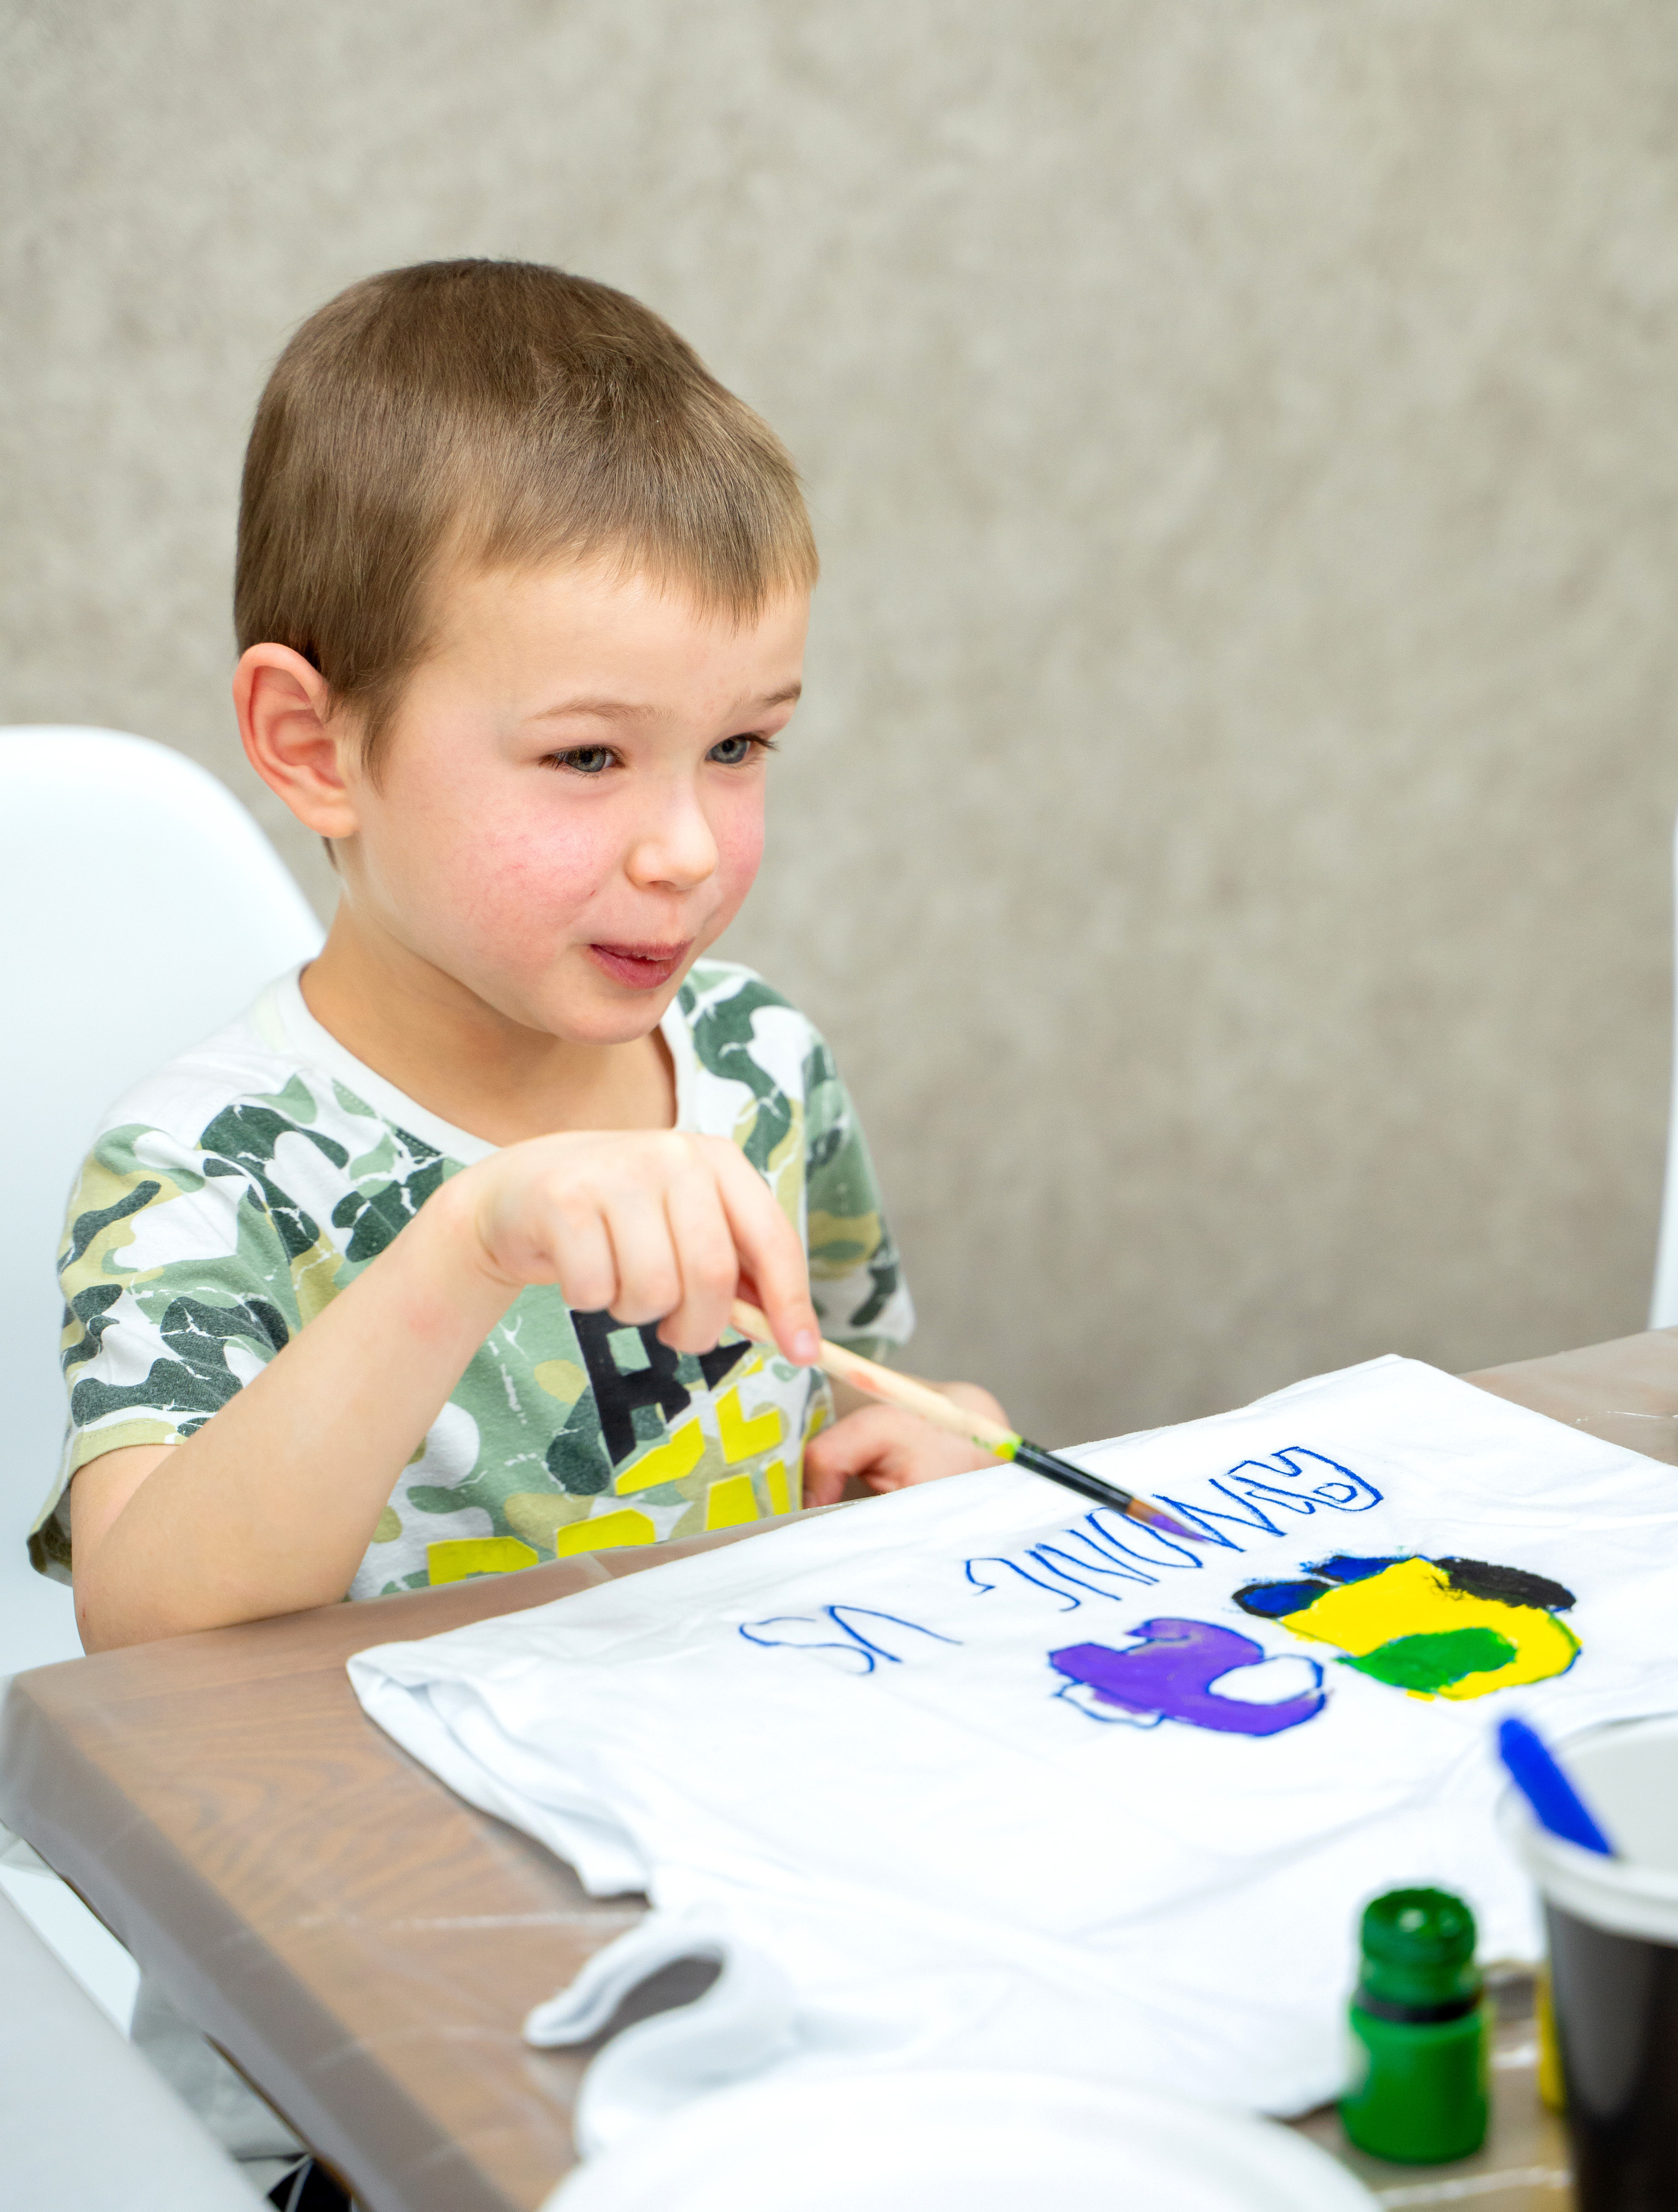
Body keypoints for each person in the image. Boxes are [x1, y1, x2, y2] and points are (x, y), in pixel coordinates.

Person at [32, 258, 1009, 1663]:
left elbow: (831, 1388)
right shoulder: (210, 1168)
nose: (683, 846)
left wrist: (909, 1427)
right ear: (315, 745)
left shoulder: (759, 1063)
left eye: (737, 746)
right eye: (587, 755)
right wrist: (468, 1243)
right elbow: (144, 1618)